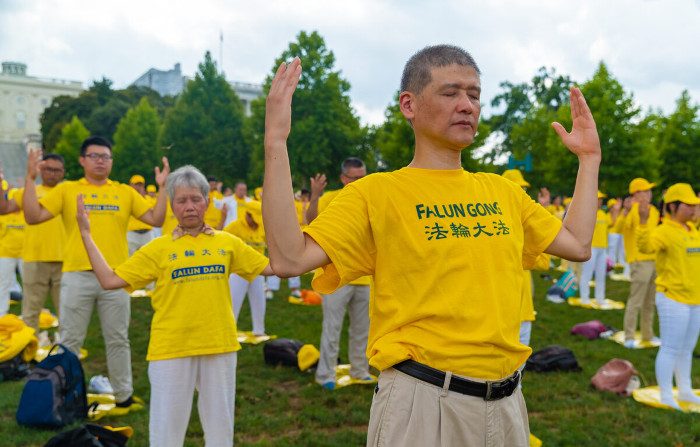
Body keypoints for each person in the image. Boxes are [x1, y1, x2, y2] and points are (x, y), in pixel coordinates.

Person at [262, 45, 600, 445]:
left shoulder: (502, 192)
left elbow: (577, 245)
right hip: (423, 404)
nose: (467, 105)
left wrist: (589, 160)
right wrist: (276, 142)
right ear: (409, 104)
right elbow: (288, 258)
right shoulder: (376, 193)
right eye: (450, 93)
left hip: (508, 402)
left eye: (474, 95)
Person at [77, 165, 273, 445]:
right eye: (181, 200)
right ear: (172, 205)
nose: (189, 206)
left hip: (219, 344)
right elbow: (109, 279)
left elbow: (272, 267)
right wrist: (86, 234)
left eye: (195, 199)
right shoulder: (158, 249)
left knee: (221, 431)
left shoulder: (228, 243)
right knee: (166, 433)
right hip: (171, 347)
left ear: (207, 201)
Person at [22, 136, 169, 411]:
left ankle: (123, 396)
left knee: (118, 339)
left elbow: (156, 219)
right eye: (95, 156)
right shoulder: (68, 190)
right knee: (69, 341)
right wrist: (30, 179)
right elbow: (32, 216)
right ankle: (63, 399)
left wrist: (162, 188)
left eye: (106, 156)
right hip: (78, 276)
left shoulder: (124, 192)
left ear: (112, 161)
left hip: (115, 278)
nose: (101, 161)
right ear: (82, 160)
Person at [306, 158, 373, 390]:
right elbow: (312, 221)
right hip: (336, 276)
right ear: (344, 178)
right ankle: (325, 374)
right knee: (332, 327)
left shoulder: (371, 198)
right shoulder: (331, 199)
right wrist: (315, 195)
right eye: (355, 178)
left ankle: (360, 369)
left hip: (364, 277)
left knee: (362, 328)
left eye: (363, 176)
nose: (360, 181)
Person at [637, 183, 700, 410]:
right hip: (673, 298)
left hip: (694, 300)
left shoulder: (692, 231)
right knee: (671, 348)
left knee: (687, 349)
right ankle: (666, 393)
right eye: (688, 204)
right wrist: (643, 221)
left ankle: (685, 389)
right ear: (673, 206)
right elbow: (644, 247)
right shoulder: (664, 231)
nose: (693, 208)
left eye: (695, 204)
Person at [0, 153, 65, 330]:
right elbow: (4, 208)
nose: (52, 173)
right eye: (48, 169)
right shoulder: (29, 192)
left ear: (63, 172)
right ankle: (28, 352)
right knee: (30, 312)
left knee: (66, 311)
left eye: (57, 170)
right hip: (34, 259)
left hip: (64, 259)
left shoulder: (68, 192)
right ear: (41, 170)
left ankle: (66, 351)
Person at [616, 178, 660, 348]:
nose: (649, 193)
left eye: (649, 190)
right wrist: (625, 211)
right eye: (645, 190)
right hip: (639, 261)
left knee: (650, 301)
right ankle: (629, 336)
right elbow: (620, 229)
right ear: (636, 194)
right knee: (636, 300)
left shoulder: (654, 211)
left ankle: (648, 334)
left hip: (654, 259)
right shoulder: (632, 211)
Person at [224, 200, 270, 335]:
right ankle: (229, 332)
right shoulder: (235, 227)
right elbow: (223, 243)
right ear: (247, 215)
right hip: (239, 272)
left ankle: (259, 331)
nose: (256, 222)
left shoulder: (261, 225)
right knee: (233, 302)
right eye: (253, 218)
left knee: (259, 301)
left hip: (259, 270)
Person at [578, 191, 612, 305]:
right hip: (591, 247)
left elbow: (610, 227)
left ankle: (600, 298)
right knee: (586, 274)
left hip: (602, 249)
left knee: (601, 275)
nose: (600, 201)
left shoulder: (603, 214)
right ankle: (584, 298)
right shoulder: (587, 213)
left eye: (601, 199)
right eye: (598, 199)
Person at [0, 187, 25, 316]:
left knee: (30, 285)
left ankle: (28, 313)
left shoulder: (27, 214)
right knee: (3, 284)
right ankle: (1, 313)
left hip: (25, 255)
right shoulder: (3, 214)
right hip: (5, 254)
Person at [126, 174, 155, 256]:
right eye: (136, 185)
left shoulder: (149, 199)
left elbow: (153, 213)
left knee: (149, 257)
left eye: (140, 185)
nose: (138, 187)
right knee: (129, 258)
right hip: (132, 233)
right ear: (131, 185)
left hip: (147, 233)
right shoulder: (127, 198)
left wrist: (142, 197)